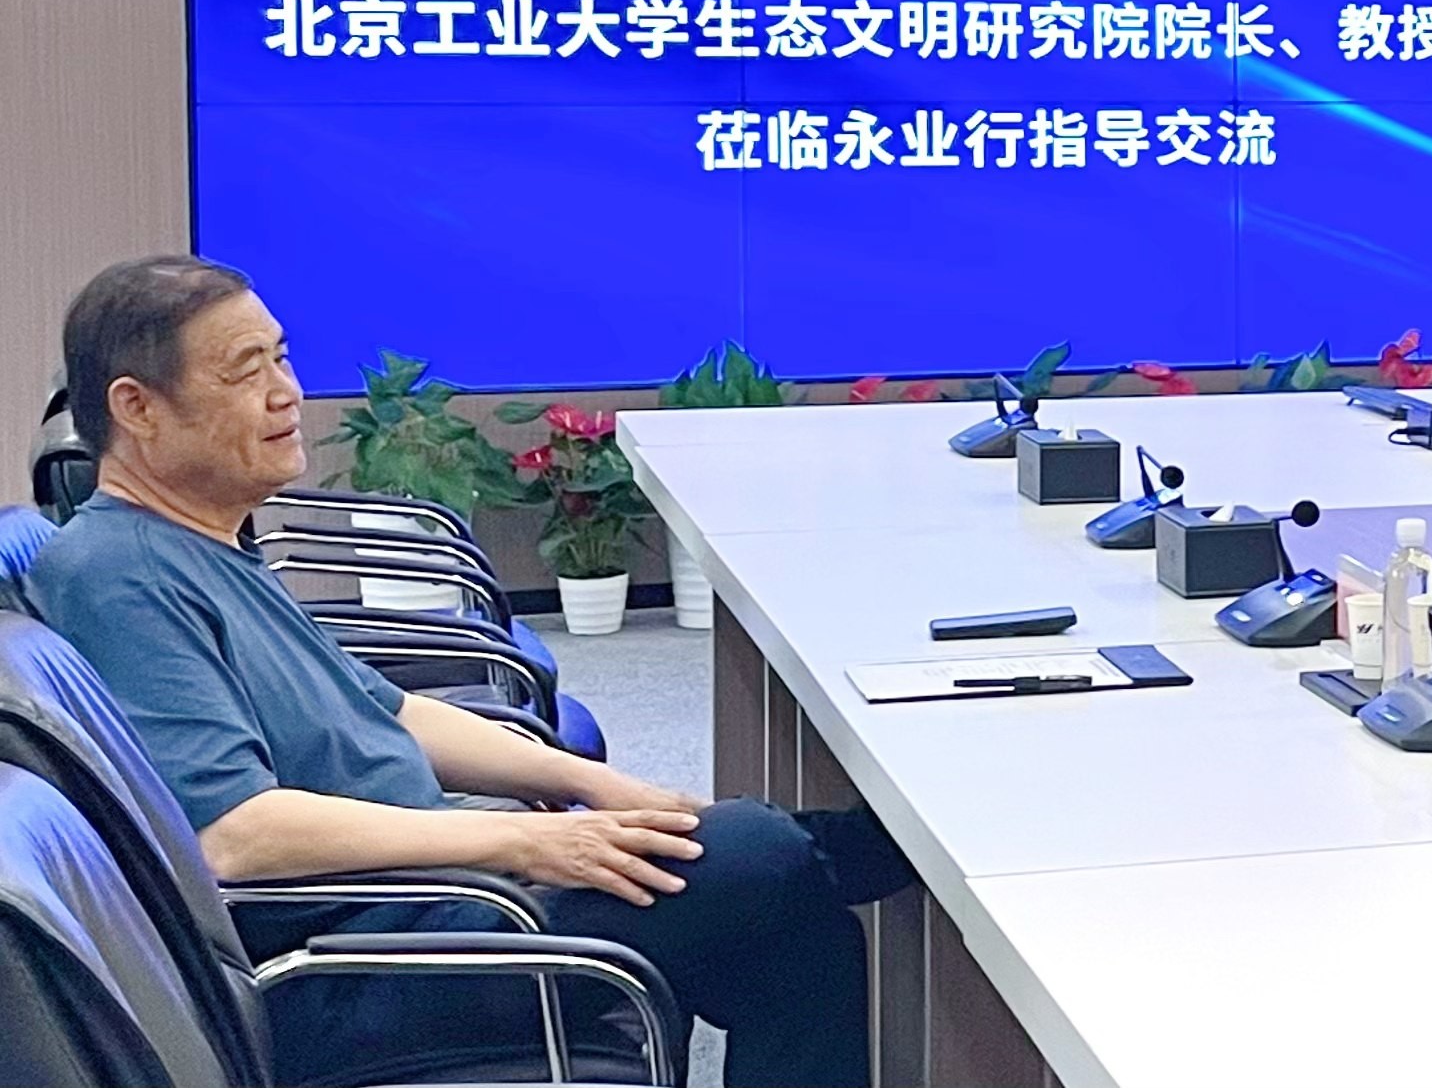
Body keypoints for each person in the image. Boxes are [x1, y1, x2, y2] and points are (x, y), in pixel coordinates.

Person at [27, 255, 914, 1088]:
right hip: (361, 962)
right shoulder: (116, 574)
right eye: (243, 371)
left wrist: (592, 783)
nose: (285, 391)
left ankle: (856, 848)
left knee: (799, 934)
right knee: (755, 850)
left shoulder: (205, 541)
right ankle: (876, 846)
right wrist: (518, 842)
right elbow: (233, 833)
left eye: (282, 358)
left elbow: (391, 711)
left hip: (433, 902)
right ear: (138, 408)